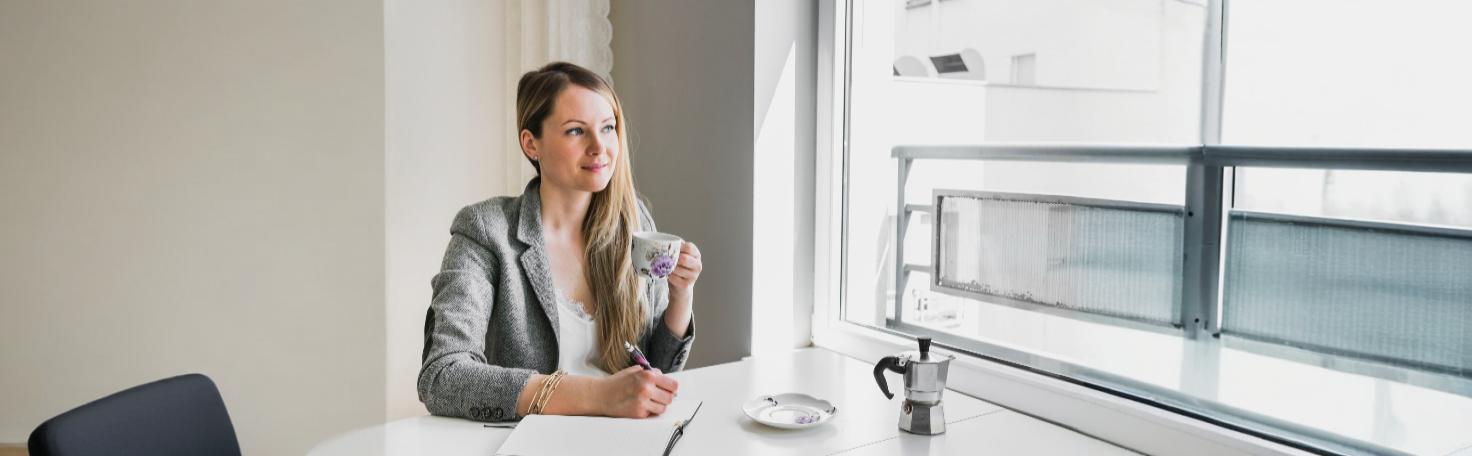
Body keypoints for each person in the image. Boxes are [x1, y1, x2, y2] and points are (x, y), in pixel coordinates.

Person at [418, 62, 701, 422]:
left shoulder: (635, 223)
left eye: (608, 127)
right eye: (575, 131)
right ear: (531, 144)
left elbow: (654, 372)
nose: (599, 147)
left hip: (626, 439)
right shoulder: (486, 231)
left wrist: (681, 295)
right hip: (527, 442)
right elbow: (443, 378)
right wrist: (597, 396)